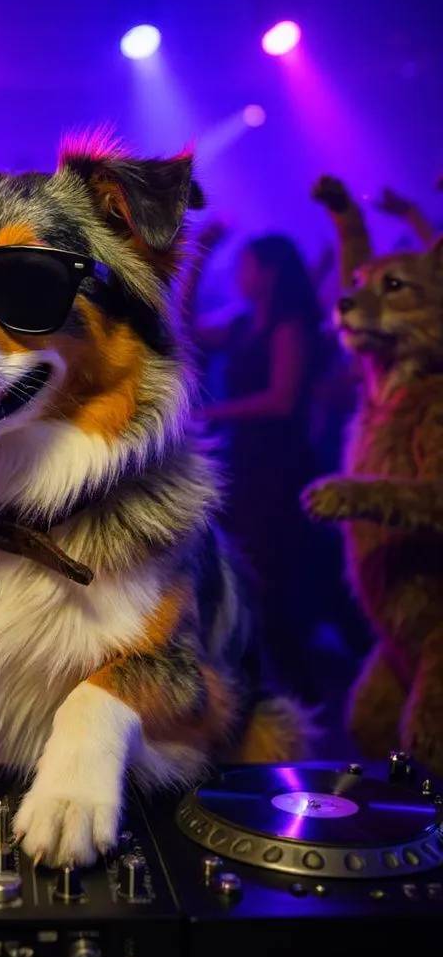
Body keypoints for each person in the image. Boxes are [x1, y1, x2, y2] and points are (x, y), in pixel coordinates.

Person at [187, 230, 328, 695]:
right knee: (251, 577)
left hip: (281, 466)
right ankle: (271, 687)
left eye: (246, 265)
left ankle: (300, 694)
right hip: (248, 462)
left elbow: (282, 399)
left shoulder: (289, 324)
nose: (239, 275)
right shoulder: (248, 322)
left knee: (273, 582)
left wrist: (215, 411)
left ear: (268, 272)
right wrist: (199, 255)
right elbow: (188, 327)